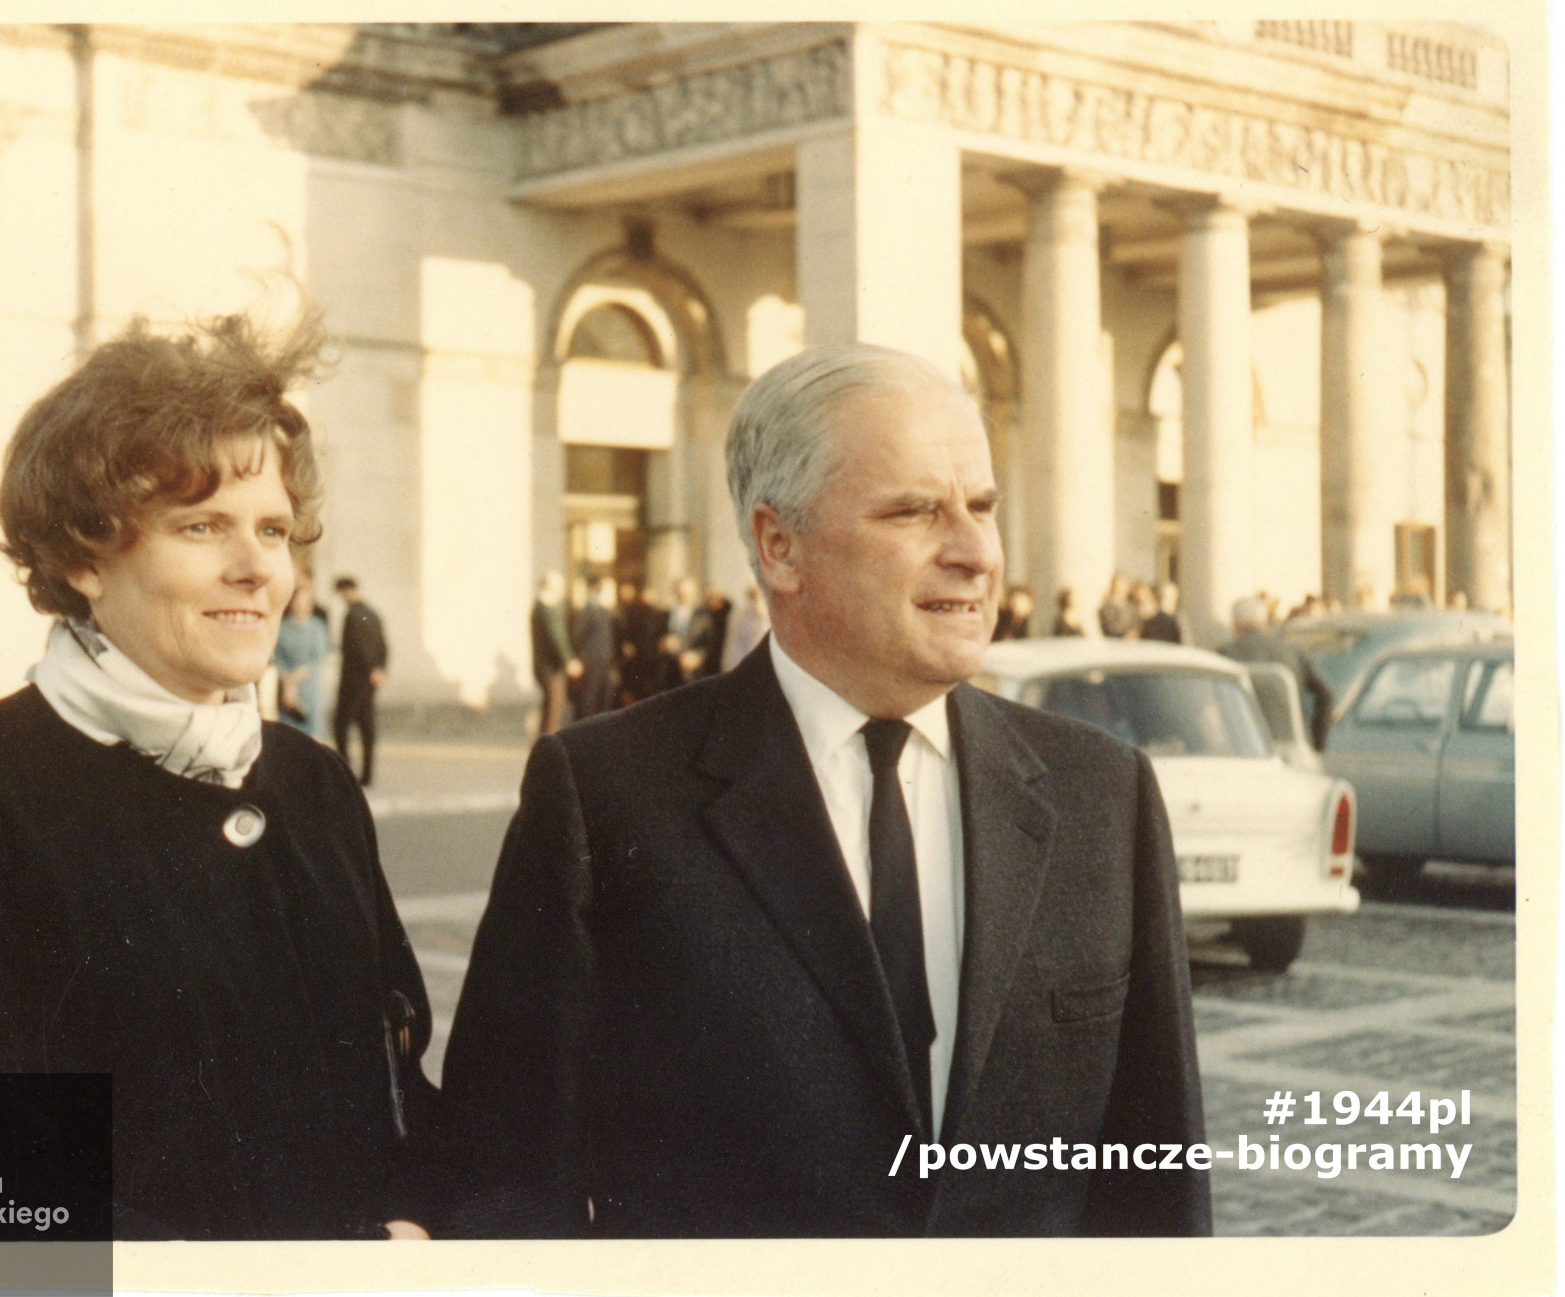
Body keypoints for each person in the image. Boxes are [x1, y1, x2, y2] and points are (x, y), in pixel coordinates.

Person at [442, 342, 1208, 1239]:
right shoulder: (606, 793)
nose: (974, 551)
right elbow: (504, 1179)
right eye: (916, 510)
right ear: (780, 545)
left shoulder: (1101, 795)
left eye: (984, 508)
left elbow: (1159, 1188)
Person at [0, 313, 435, 1240]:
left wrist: (423, 1216)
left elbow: (398, 1087)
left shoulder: (314, 782)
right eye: (203, 525)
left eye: (276, 529)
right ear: (85, 554)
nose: (256, 568)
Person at [1219, 595, 1334, 750]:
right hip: (1293, 744)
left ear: (1235, 624)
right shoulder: (1291, 650)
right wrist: (1316, 742)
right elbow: (1326, 695)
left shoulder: (1225, 654)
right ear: (1264, 621)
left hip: (1246, 748)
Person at [334, 576, 388, 785]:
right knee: (366, 726)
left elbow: (358, 647)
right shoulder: (372, 614)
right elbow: (384, 645)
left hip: (354, 680)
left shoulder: (353, 615)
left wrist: (370, 668)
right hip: (370, 680)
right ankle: (367, 774)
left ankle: (345, 773)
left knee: (342, 724)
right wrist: (379, 669)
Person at [271, 580, 331, 738]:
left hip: (309, 684)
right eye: (296, 601)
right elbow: (277, 657)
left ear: (310, 605)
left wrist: (293, 680)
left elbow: (317, 658)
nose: (299, 605)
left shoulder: (317, 627)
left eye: (304, 602)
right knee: (290, 733)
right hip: (286, 686)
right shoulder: (281, 627)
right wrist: (287, 682)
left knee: (312, 734)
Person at [529, 571, 582, 735]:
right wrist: (569, 660)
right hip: (552, 670)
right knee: (553, 713)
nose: (563, 589)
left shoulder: (539, 607)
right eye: (560, 585)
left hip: (544, 668)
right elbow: (557, 637)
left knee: (549, 711)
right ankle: (547, 752)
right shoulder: (548, 609)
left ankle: (543, 747)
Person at [569, 577, 617, 719]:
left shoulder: (605, 611)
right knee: (589, 699)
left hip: (605, 661)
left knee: (605, 699)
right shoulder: (585, 611)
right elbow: (577, 636)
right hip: (591, 661)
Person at [722, 581, 770, 671]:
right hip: (745, 666)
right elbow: (734, 647)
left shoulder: (776, 617)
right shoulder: (740, 616)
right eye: (755, 597)